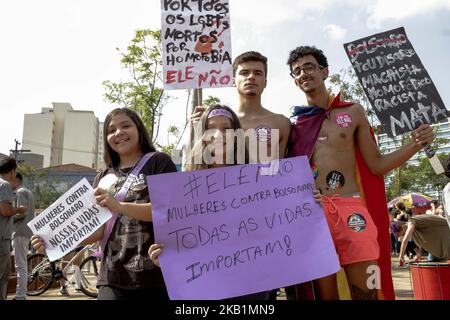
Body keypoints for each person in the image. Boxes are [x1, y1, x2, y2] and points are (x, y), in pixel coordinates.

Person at [286, 45, 435, 300]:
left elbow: (376, 165)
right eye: (296, 71)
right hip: (314, 214)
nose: (303, 74)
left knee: (367, 291)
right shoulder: (295, 125)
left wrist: (415, 144)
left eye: (308, 67)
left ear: (325, 72)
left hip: (353, 212)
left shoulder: (353, 111)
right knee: (324, 296)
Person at [149, 104, 323, 300]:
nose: (219, 135)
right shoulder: (185, 184)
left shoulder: (258, 178)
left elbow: (282, 220)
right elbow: (181, 236)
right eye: (210, 128)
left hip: (252, 284)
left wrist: (310, 204)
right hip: (206, 285)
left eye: (226, 129)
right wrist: (165, 256)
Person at [31, 108, 177, 300]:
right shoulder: (102, 177)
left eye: (126, 126)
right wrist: (52, 241)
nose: (119, 133)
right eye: (111, 130)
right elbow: (98, 231)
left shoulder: (159, 161)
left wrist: (121, 206)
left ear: (139, 130)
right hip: (111, 277)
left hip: (156, 276)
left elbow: (172, 212)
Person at [0, 157, 27, 300]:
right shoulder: (4, 186)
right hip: (2, 237)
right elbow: (5, 210)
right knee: (2, 277)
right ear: (12, 172)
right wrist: (19, 210)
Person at [11, 172, 35, 300]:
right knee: (22, 264)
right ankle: (21, 294)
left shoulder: (20, 192)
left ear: (16, 179)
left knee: (20, 265)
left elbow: (22, 212)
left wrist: (8, 217)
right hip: (27, 231)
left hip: (20, 231)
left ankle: (20, 295)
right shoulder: (28, 192)